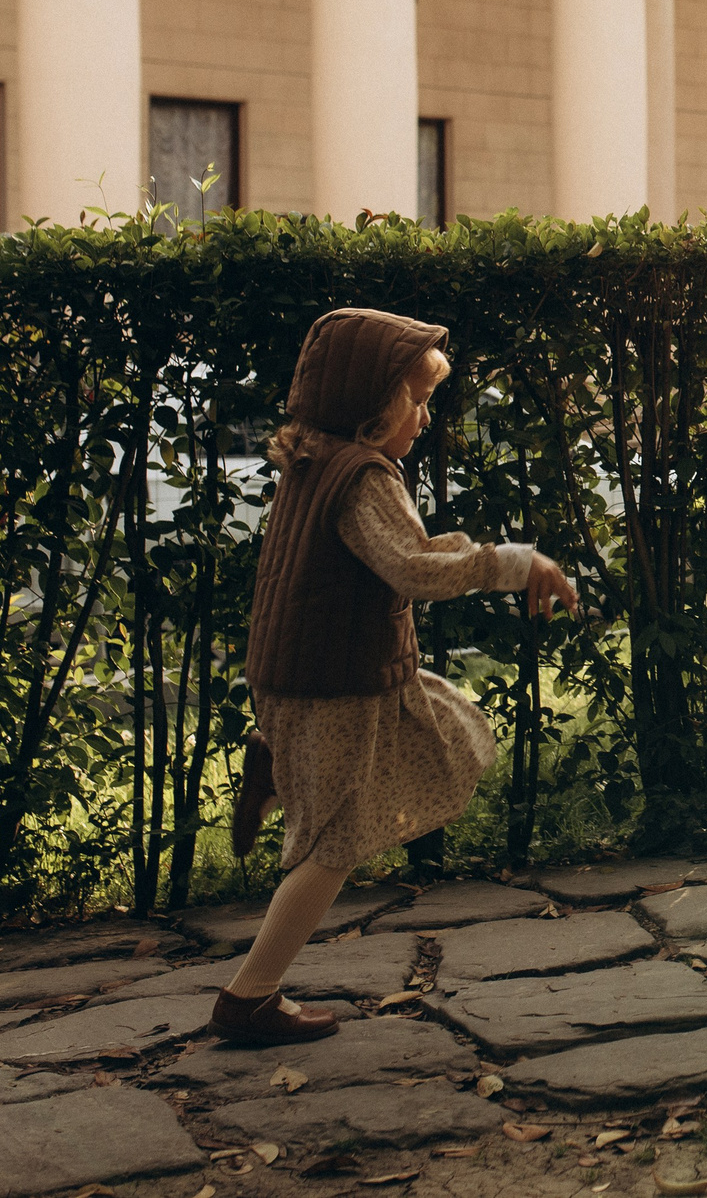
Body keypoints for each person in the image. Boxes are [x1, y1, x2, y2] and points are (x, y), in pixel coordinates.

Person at [216, 307, 579, 1045]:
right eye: (411, 400)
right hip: (336, 678)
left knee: (437, 728)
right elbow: (409, 568)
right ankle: (249, 996)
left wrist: (464, 550)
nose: (423, 414)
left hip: (294, 671)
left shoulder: (316, 455)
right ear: (368, 406)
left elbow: (392, 549)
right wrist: (509, 563)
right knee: (334, 844)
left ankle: (276, 760)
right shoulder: (365, 475)